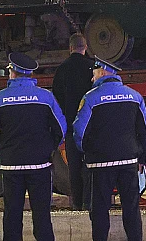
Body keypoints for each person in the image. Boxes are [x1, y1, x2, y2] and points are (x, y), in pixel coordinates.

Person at [0, 53, 66, 241]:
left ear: (12, 72)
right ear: (30, 75)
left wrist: (2, 147)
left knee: (12, 217)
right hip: (40, 166)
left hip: (12, 166)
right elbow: (61, 128)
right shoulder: (46, 97)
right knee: (42, 217)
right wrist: (49, 148)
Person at [73, 59, 146, 241]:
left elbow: (80, 131)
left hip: (100, 163)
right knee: (131, 209)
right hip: (128, 162)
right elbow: (145, 129)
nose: (92, 78)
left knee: (100, 210)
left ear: (102, 72)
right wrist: (144, 159)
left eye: (94, 72)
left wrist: (87, 151)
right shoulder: (134, 96)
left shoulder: (91, 97)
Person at [52, 33, 94, 210]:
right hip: (91, 129)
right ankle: (90, 202)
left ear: (70, 48)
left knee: (75, 169)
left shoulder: (62, 69)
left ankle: (77, 203)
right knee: (91, 166)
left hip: (71, 128)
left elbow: (56, 101)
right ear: (85, 48)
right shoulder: (92, 68)